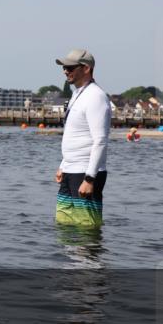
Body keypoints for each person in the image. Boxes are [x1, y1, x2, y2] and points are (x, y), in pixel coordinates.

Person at [53, 50, 111, 228]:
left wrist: (89, 179)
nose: (65, 71)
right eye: (64, 67)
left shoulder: (96, 96)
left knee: (86, 229)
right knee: (64, 226)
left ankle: (89, 256)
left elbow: (100, 140)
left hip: (86, 173)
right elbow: (74, 133)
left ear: (86, 68)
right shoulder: (77, 94)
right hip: (70, 170)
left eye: (70, 67)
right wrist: (64, 164)